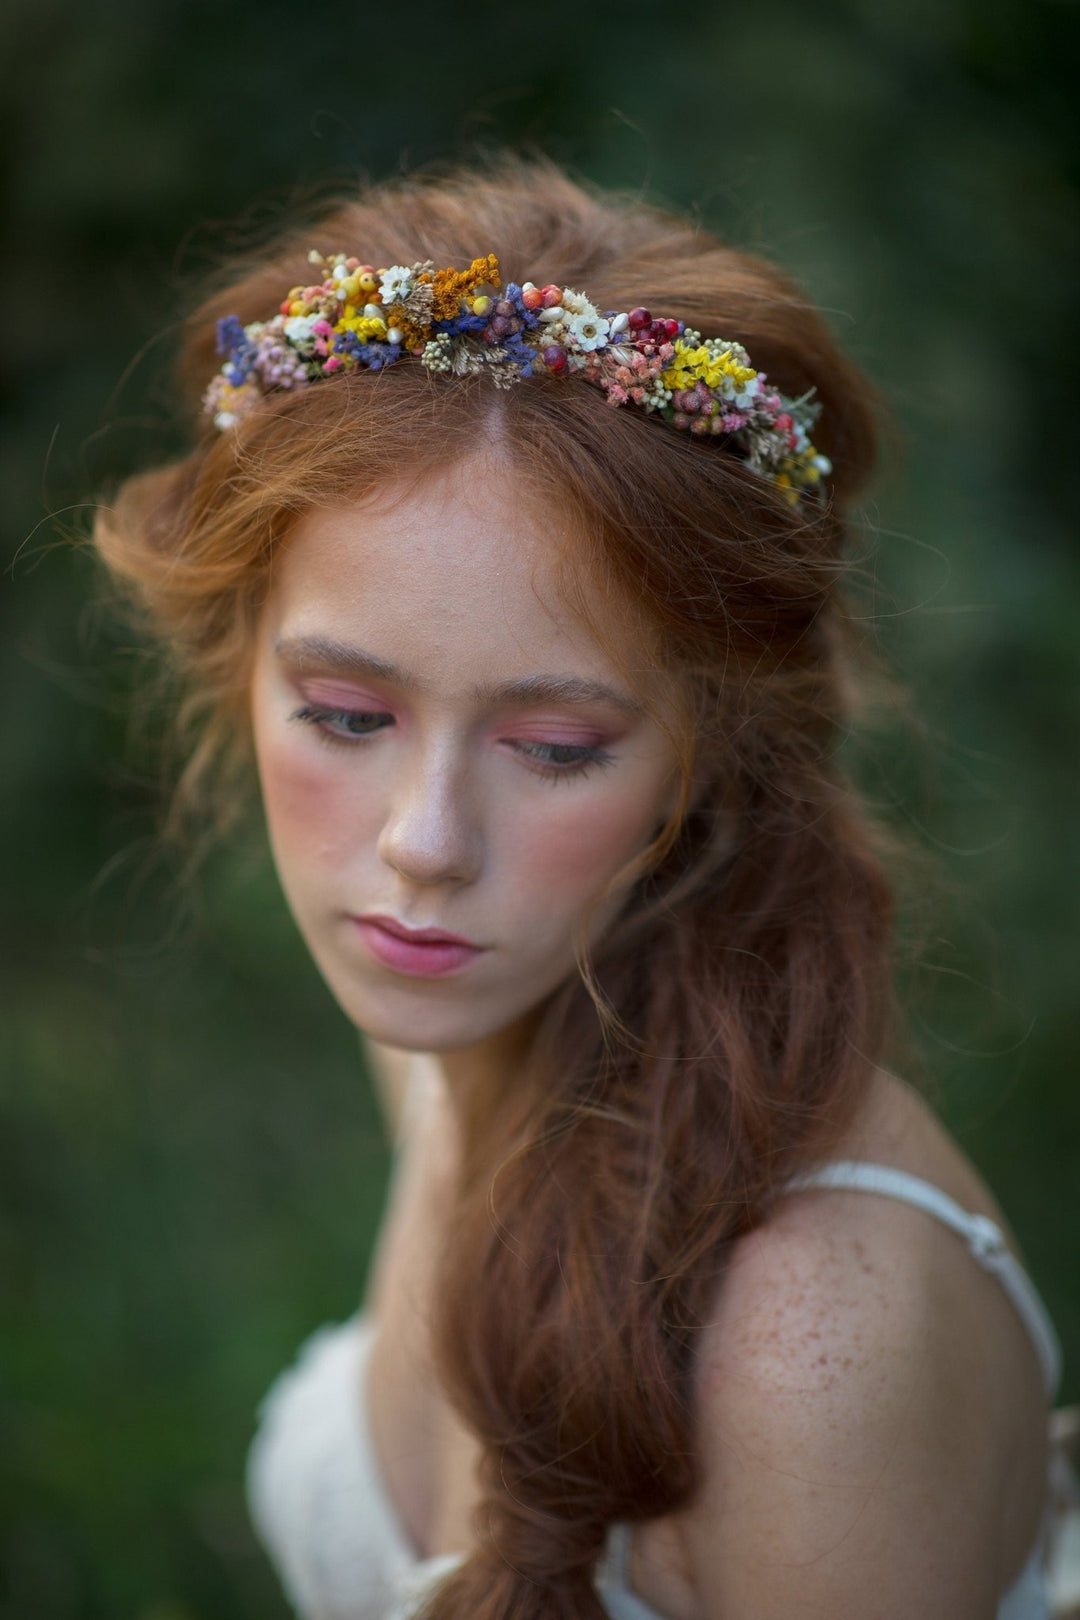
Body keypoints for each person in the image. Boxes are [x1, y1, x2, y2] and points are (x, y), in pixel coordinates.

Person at [91, 157, 1076, 1619]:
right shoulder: (453, 1004)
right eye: (350, 718)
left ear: (708, 745)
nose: (426, 842)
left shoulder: (812, 1339)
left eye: (553, 747)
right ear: (242, 668)